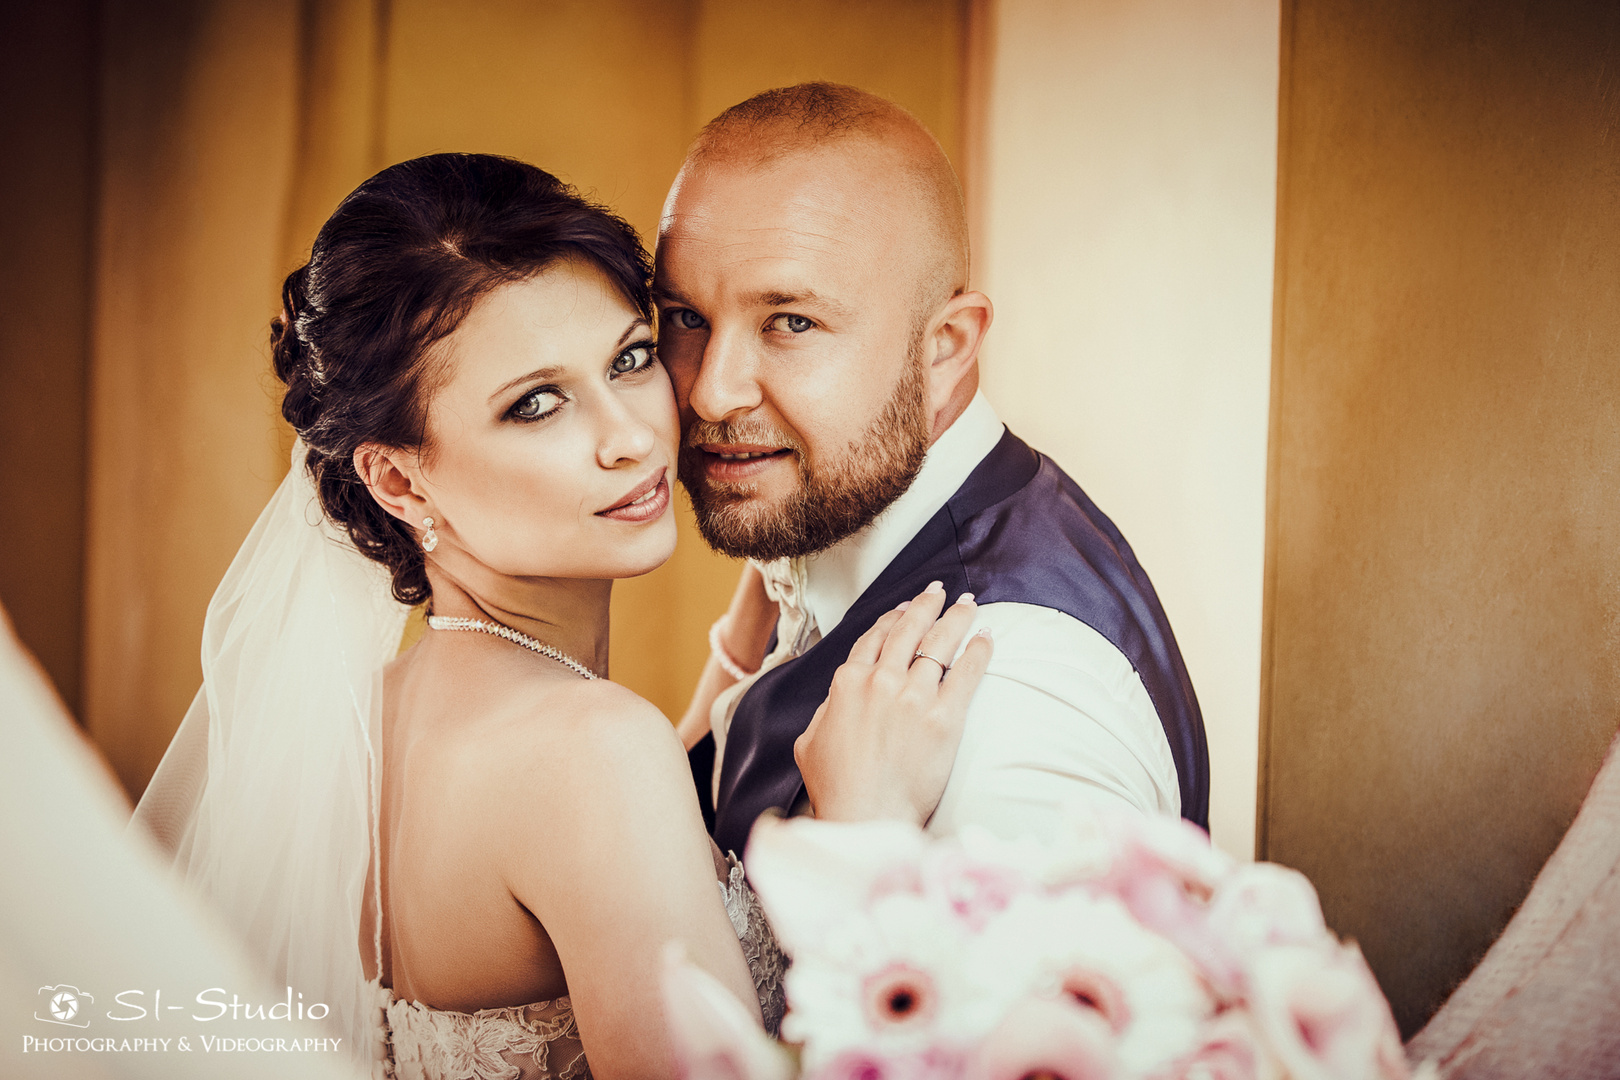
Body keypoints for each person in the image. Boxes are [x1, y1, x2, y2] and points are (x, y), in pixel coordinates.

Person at [132, 153, 992, 1080]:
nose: (631, 437)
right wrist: (867, 829)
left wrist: (740, 656)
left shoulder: (372, 719)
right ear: (396, 476)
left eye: (628, 359)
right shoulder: (593, 752)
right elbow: (591, 795)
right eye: (536, 406)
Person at [660, 83, 1211, 857]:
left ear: (945, 348)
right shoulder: (840, 509)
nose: (710, 391)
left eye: (790, 322)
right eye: (686, 317)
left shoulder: (1013, 702)